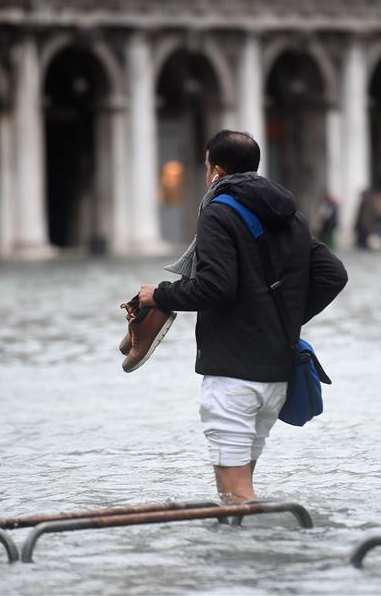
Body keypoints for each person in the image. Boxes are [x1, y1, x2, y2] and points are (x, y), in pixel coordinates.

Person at [136, 130, 348, 503]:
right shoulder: (291, 217)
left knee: (234, 494)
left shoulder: (218, 212)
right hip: (275, 377)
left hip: (233, 376)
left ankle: (248, 559)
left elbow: (215, 287)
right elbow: (333, 274)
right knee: (244, 488)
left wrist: (160, 294)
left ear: (215, 170)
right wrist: (283, 318)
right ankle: (265, 558)